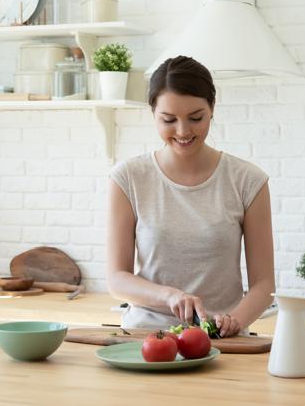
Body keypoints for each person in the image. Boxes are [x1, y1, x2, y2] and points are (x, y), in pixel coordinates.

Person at [107, 55, 275, 337]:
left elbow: (265, 286)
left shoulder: (248, 181)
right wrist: (169, 297)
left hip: (222, 338)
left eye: (196, 118)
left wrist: (234, 321)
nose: (183, 131)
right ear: (153, 114)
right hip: (148, 337)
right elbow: (116, 280)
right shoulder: (128, 178)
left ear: (212, 109)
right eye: (169, 119)